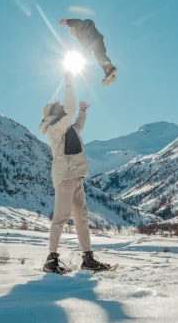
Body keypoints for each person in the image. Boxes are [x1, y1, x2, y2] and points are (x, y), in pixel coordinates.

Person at [39, 72, 111, 273]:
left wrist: (82, 112)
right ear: (53, 113)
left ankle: (88, 258)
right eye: (58, 106)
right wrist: (69, 83)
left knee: (81, 216)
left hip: (76, 176)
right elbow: (69, 114)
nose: (61, 106)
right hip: (65, 177)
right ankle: (51, 260)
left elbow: (77, 125)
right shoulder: (55, 128)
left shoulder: (66, 127)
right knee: (61, 217)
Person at [60, 18, 118, 85]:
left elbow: (76, 22)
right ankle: (110, 74)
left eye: (74, 34)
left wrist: (67, 22)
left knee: (100, 57)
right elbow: (87, 48)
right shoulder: (81, 38)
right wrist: (83, 55)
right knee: (100, 58)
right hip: (95, 42)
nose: (75, 36)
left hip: (95, 40)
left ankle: (110, 67)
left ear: (74, 30)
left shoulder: (80, 25)